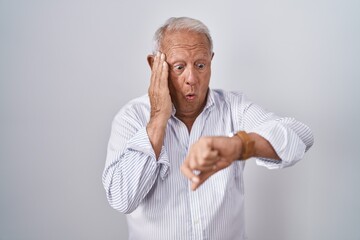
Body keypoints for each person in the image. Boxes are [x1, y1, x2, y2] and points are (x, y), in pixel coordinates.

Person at [102, 17, 314, 240]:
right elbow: (121, 198)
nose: (191, 78)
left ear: (211, 62)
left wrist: (240, 145)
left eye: (200, 65)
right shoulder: (131, 117)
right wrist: (157, 119)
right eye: (179, 67)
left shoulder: (233, 108)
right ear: (155, 66)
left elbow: (301, 137)